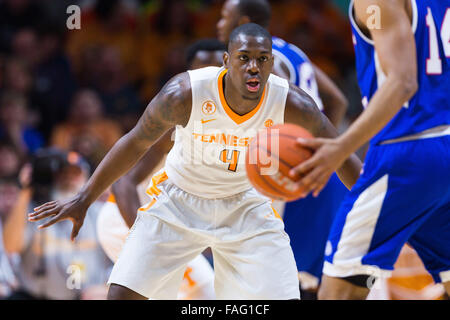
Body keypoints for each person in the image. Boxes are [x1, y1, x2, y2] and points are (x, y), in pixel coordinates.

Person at [29, 24, 362, 300]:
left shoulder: (293, 103)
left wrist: (370, 205)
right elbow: (135, 142)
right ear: (227, 61)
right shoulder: (183, 94)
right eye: (244, 58)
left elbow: (340, 153)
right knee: (121, 295)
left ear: (271, 64)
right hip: (180, 201)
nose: (253, 67)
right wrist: (85, 197)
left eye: (262, 60)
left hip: (247, 206)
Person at [290, 0, 450, 299]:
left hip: (407, 152)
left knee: (337, 292)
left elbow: (402, 82)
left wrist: (340, 147)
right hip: (443, 146)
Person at [216, 0, 350, 298]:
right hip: (322, 172)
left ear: (243, 21)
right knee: (314, 282)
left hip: (289, 176)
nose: (219, 24)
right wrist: (320, 147)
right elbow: (338, 100)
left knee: (268, 282)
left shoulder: (257, 63)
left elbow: (276, 107)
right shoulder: (294, 52)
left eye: (224, 17)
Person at [95, 39, 228, 300]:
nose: (210, 75)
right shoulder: (175, 119)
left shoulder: (233, 122)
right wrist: (144, 241)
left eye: (216, 67)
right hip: (124, 217)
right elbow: (122, 183)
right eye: (203, 68)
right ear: (189, 75)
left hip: (169, 226)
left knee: (205, 294)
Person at [3, 149, 113, 299]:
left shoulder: (101, 214)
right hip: (33, 295)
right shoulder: (34, 210)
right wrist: (26, 189)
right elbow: (11, 246)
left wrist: (105, 289)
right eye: (61, 173)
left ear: (88, 179)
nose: (68, 179)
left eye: (74, 173)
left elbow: (123, 262)